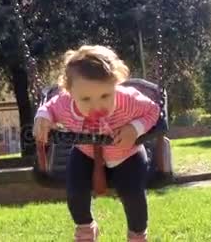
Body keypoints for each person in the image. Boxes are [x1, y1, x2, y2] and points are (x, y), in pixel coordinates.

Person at [33, 45, 160, 242]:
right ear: (69, 92)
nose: (96, 106)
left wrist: (135, 128)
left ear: (116, 85)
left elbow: (154, 112)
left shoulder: (129, 100)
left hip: (126, 153)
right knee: (75, 191)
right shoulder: (65, 104)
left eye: (105, 96)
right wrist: (42, 117)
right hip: (87, 153)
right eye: (85, 99)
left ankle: (137, 235)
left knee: (133, 194)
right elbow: (48, 108)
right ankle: (85, 229)